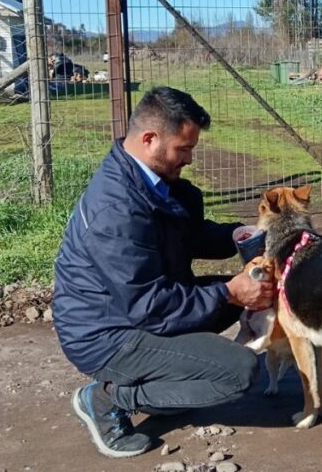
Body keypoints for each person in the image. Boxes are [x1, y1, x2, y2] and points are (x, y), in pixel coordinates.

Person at [52, 86, 274, 458]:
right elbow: (150, 306)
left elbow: (185, 235)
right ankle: (107, 398)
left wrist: (238, 237)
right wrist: (230, 293)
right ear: (150, 139)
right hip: (105, 335)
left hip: (137, 309)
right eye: (183, 150)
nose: (188, 159)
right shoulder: (116, 210)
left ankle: (171, 378)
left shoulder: (149, 183)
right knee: (239, 371)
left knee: (244, 293)